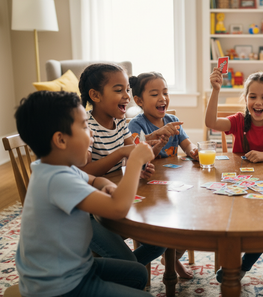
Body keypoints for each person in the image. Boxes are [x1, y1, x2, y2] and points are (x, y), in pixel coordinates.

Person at [14, 90, 155, 297]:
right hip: (58, 286)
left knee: (137, 273)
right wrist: (134, 161)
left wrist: (107, 185)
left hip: (78, 267)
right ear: (61, 140)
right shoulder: (56, 179)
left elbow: (95, 179)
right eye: (84, 126)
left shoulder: (57, 167)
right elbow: (118, 208)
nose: (91, 134)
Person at [78, 63, 172, 267]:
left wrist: (141, 165)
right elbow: (82, 173)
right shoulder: (85, 127)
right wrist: (120, 153)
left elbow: (133, 155)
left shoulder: (121, 123)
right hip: (90, 214)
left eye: (127, 89)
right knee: (130, 263)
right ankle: (122, 271)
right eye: (118, 90)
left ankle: (124, 270)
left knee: (161, 241)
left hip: (116, 196)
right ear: (95, 95)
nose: (127, 95)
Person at [206, 69, 263, 282]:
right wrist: (215, 91)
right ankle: (230, 253)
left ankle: (244, 264)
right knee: (229, 221)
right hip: (238, 188)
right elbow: (211, 123)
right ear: (245, 98)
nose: (258, 102)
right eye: (252, 96)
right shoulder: (238, 120)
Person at [128, 71, 197, 278]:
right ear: (139, 100)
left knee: (191, 218)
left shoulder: (172, 119)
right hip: (147, 185)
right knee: (165, 223)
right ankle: (170, 259)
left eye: (165, 92)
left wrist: (194, 151)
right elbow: (139, 154)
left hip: (173, 184)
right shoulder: (136, 125)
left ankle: (172, 256)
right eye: (155, 93)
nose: (162, 98)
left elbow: (187, 144)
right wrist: (158, 143)